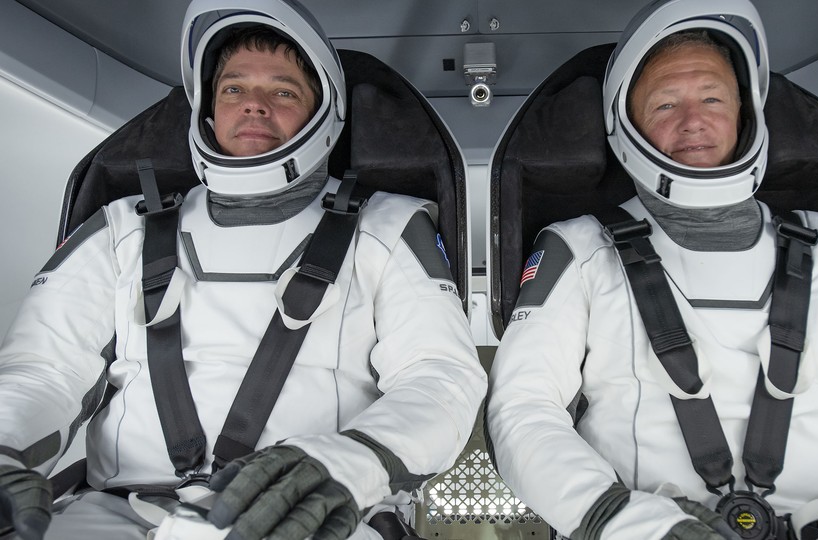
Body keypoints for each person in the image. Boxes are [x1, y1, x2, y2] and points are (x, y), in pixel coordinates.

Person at [0, 0, 486, 538]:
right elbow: (46, 368)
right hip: (119, 512)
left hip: (313, 509)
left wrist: (348, 465)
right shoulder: (121, 228)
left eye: (282, 91)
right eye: (233, 88)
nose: (253, 105)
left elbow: (440, 379)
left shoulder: (389, 228)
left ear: (322, 113)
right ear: (207, 110)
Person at [485, 0, 818, 539]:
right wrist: (620, 520)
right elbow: (522, 410)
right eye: (665, 104)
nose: (694, 121)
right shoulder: (576, 249)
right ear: (628, 127)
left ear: (745, 112)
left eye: (712, 97)